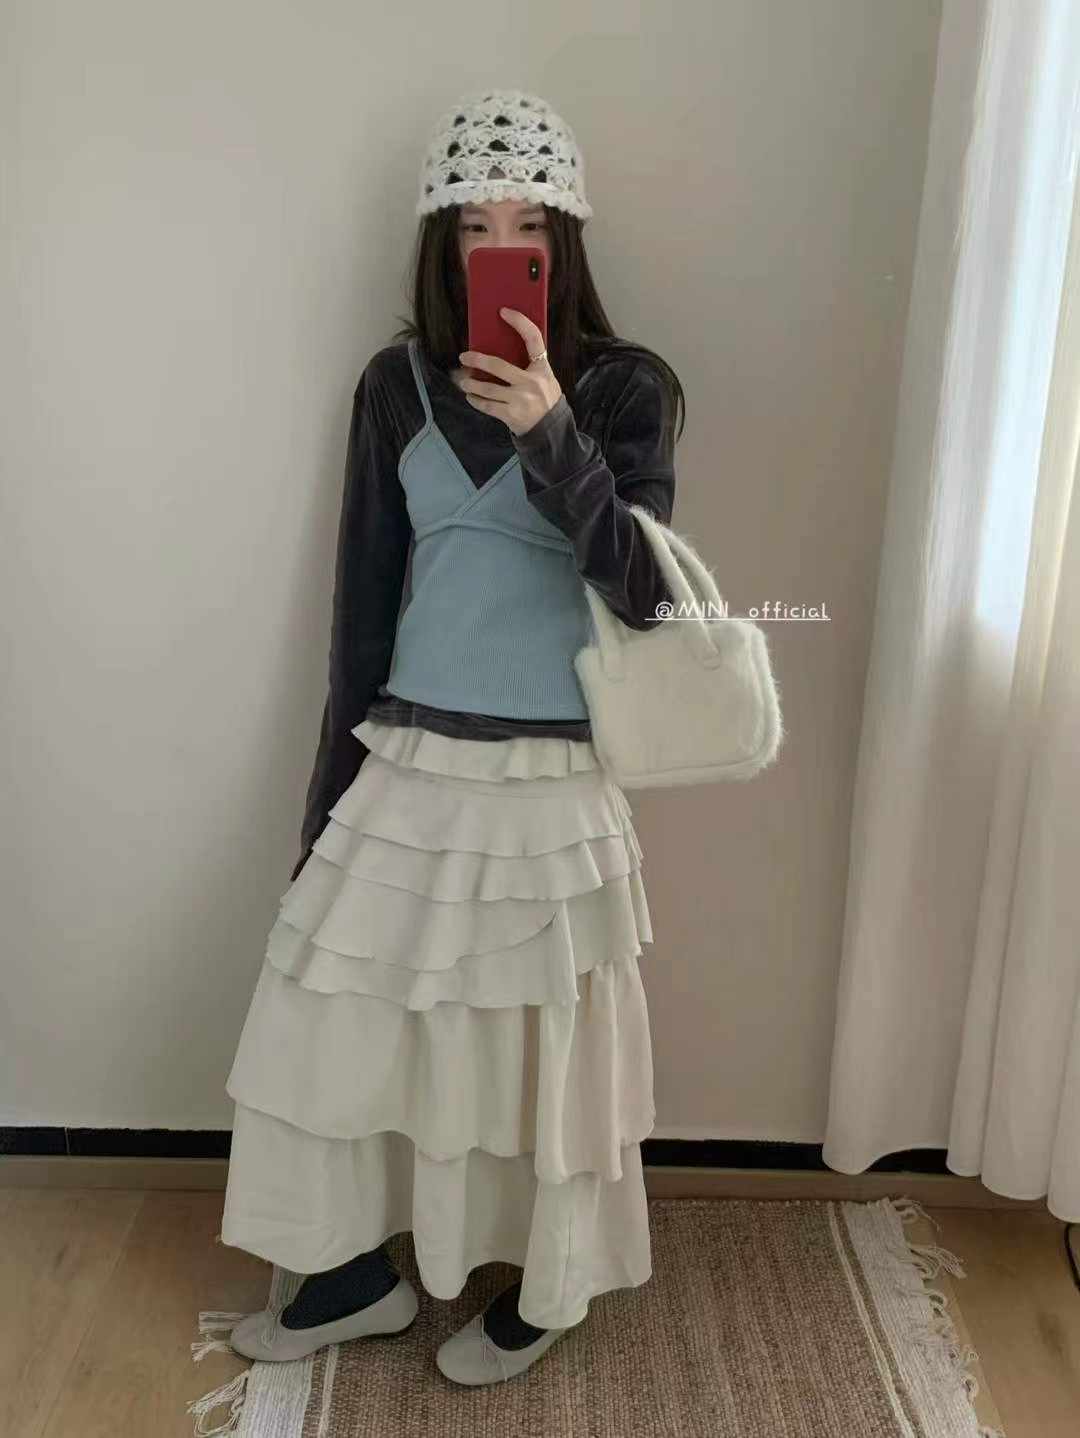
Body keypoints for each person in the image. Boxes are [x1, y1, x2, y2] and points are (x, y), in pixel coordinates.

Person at [219, 86, 685, 1387]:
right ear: (441, 241)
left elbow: (648, 596)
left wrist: (554, 433)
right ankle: (354, 1275)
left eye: (525, 224)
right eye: (473, 226)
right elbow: (361, 613)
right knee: (333, 1016)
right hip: (412, 758)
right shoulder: (394, 386)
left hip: (552, 775)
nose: (499, 247)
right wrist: (323, 812)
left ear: (563, 238)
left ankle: (549, 1288)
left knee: (543, 1051)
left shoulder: (629, 389)